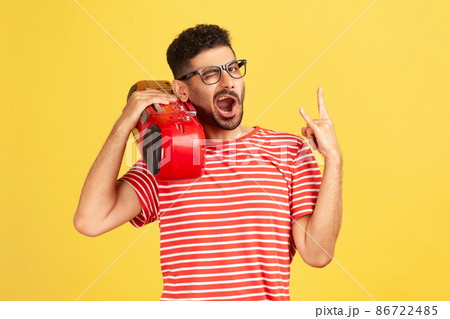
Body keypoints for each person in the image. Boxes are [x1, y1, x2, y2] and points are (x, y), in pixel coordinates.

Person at [73, 24, 343, 301]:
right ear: (181, 90)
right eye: (211, 74)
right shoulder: (165, 157)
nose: (229, 82)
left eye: (233, 68)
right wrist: (122, 125)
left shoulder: (288, 150)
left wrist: (333, 160)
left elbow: (317, 254)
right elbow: (90, 221)